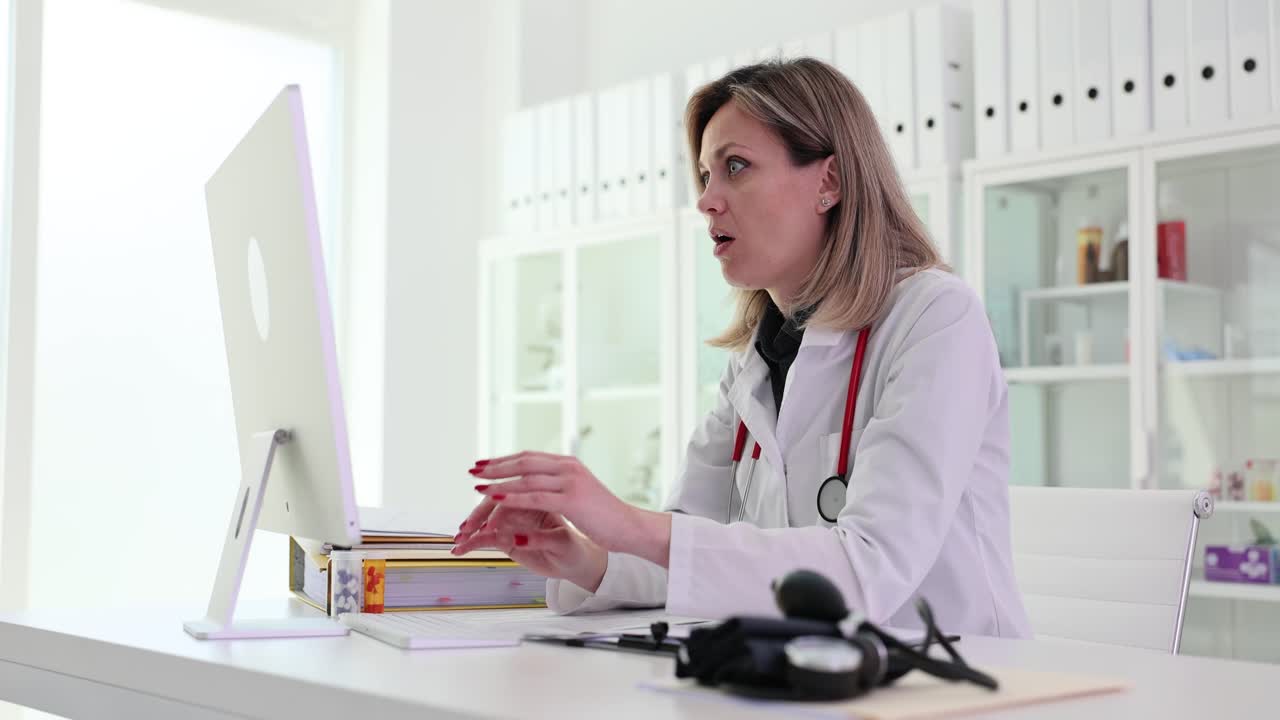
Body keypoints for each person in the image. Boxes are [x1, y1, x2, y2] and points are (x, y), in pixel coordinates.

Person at [453, 58, 1031, 637]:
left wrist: (625, 522)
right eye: (706, 176)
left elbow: (869, 570)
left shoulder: (935, 318)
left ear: (829, 182)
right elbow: (688, 545)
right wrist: (582, 555)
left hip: (961, 669)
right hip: (812, 666)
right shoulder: (756, 359)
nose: (707, 200)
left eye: (735, 167)